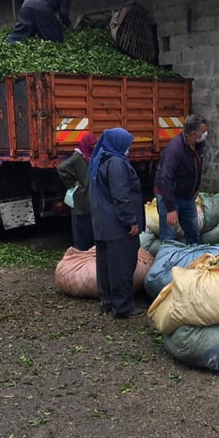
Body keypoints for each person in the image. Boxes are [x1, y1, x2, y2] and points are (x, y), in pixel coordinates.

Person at [89, 128, 146, 319]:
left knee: (105, 266)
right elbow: (121, 196)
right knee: (122, 267)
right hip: (117, 226)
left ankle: (107, 302)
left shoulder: (100, 159)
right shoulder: (116, 163)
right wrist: (131, 221)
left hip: (102, 224)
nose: (129, 148)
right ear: (118, 144)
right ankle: (122, 307)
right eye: (128, 144)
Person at [154, 114, 208, 245]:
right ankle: (169, 258)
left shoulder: (198, 145)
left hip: (188, 197)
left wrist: (195, 189)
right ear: (194, 134)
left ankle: (194, 255)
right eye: (203, 131)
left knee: (193, 233)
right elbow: (166, 179)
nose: (206, 133)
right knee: (169, 236)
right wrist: (170, 208)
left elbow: (196, 169)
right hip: (170, 197)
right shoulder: (175, 150)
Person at [58, 133, 98, 250]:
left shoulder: (90, 157)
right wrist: (72, 183)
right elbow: (61, 168)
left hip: (89, 199)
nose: (94, 147)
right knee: (81, 231)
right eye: (92, 144)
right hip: (81, 200)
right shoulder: (78, 157)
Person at [5, 0, 71, 44]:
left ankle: (8, 43)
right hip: (42, 5)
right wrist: (67, 24)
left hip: (26, 4)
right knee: (54, 37)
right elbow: (64, 13)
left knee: (22, 31)